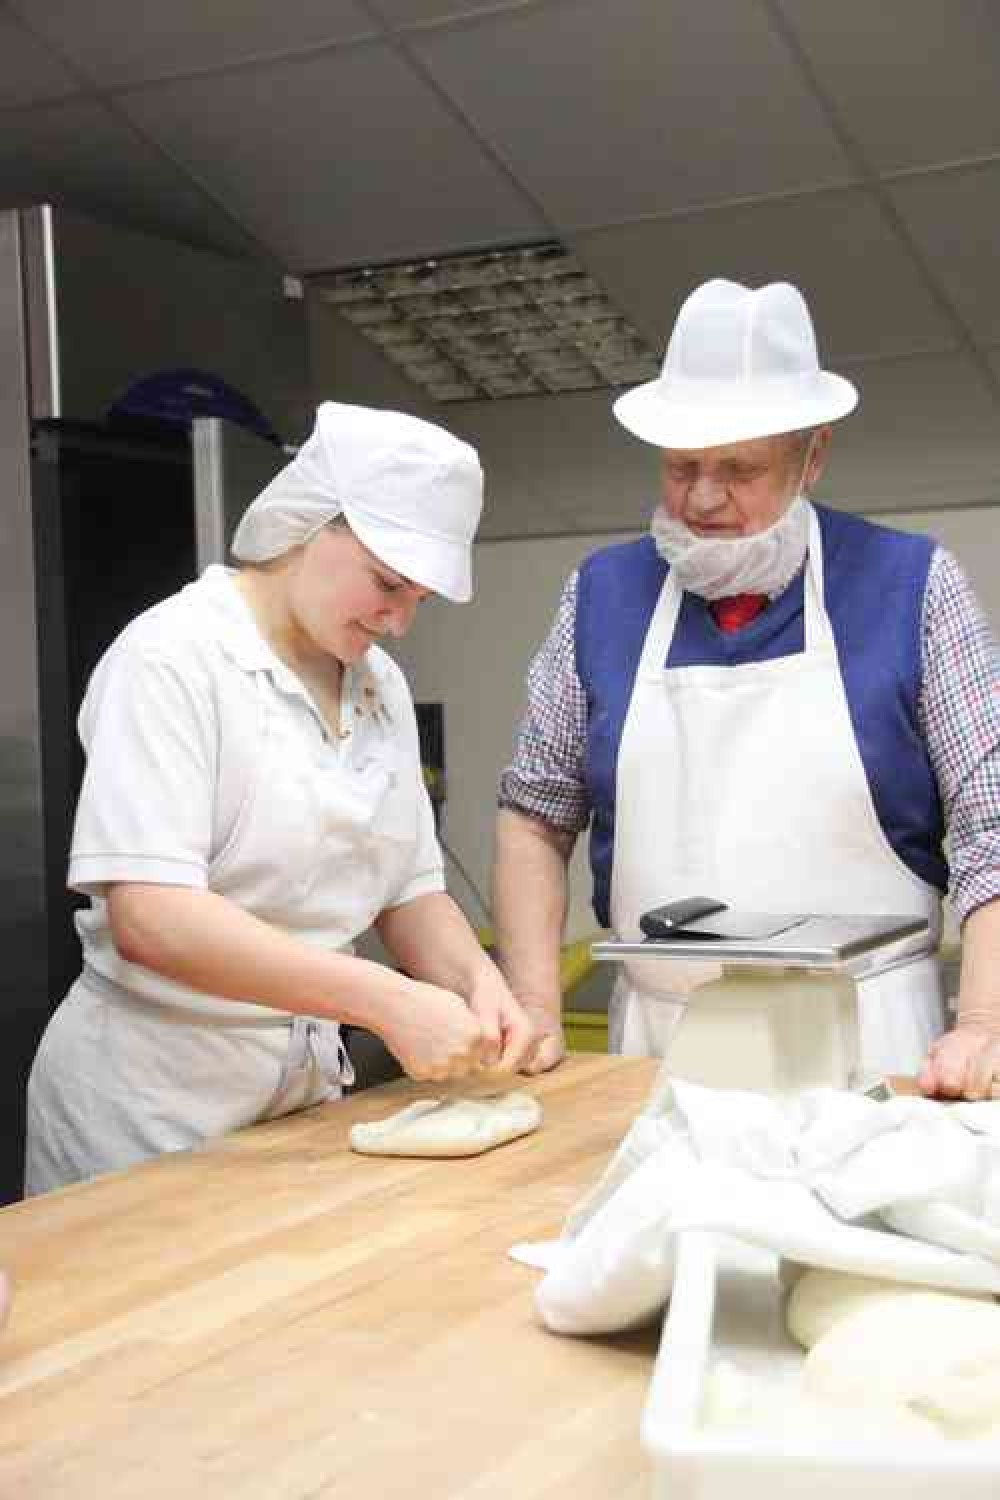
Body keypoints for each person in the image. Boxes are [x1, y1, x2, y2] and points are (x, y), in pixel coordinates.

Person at [493, 279, 1000, 1102]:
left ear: (813, 457)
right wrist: (532, 1002)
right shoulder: (600, 596)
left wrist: (983, 1022)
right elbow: (534, 817)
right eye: (681, 466)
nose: (702, 498)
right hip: (655, 1052)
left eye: (740, 468)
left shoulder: (914, 587)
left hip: (864, 1047)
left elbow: (993, 829)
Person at [26, 401, 536, 1194]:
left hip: (298, 1112)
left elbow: (407, 889)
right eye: (389, 584)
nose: (399, 621)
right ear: (312, 526)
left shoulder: (380, 687)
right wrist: (386, 1002)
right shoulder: (172, 659)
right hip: (148, 1112)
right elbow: (152, 917)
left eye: (419, 601)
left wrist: (476, 983)